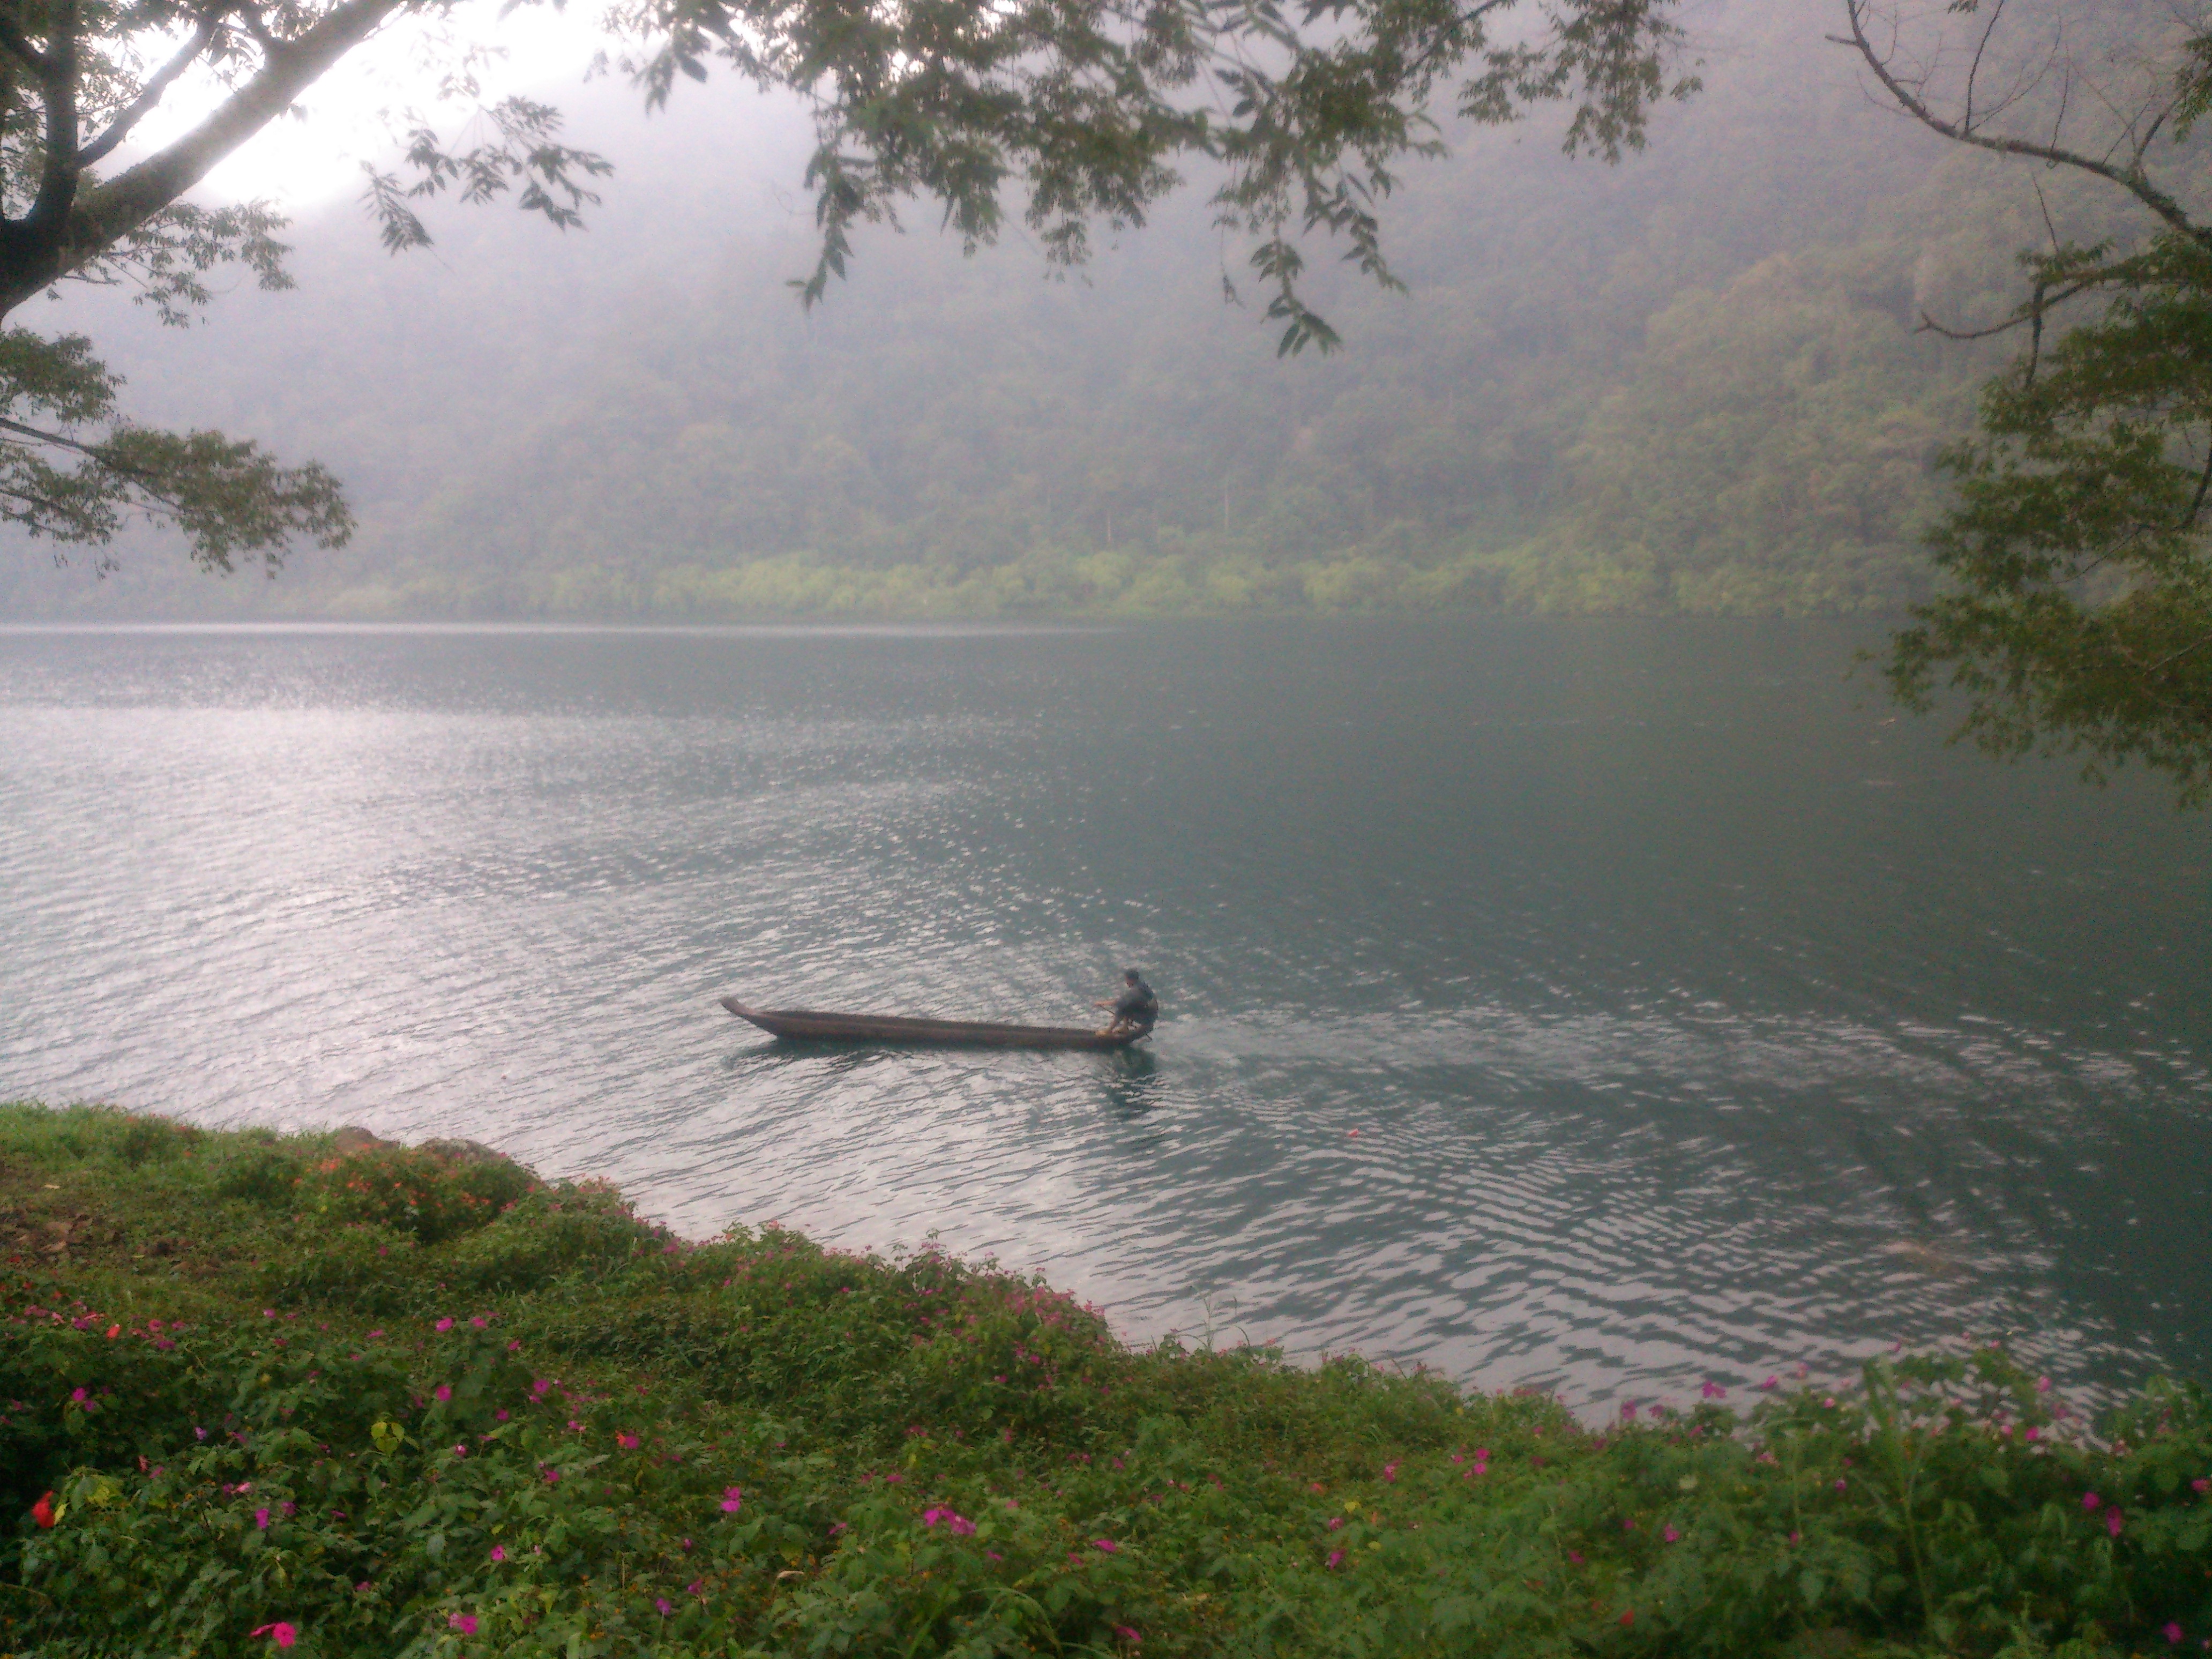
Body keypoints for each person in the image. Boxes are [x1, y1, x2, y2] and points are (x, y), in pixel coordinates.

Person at [1095, 969, 1159, 1038]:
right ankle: (1125, 1028)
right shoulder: (1142, 985)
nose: (1126, 982)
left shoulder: (1136, 991)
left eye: (1127, 980)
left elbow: (1119, 1002)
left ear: (1132, 980)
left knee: (1122, 1008)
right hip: (1150, 1015)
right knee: (1128, 1005)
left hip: (1147, 1018)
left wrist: (1101, 1003)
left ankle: (1109, 1031)